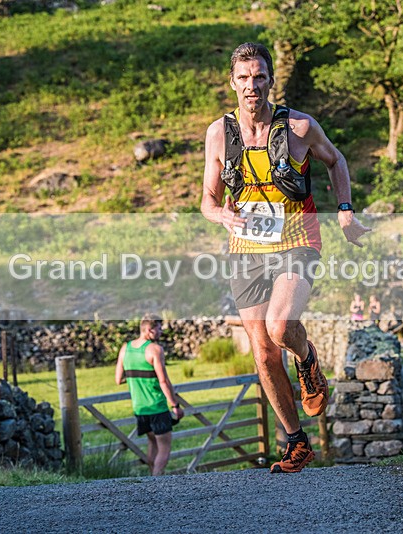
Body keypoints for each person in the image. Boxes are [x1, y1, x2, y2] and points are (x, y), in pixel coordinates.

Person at [200, 42, 371, 473]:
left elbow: (336, 161)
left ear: (270, 80)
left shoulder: (298, 127)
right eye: (243, 78)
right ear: (232, 82)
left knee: (279, 327)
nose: (251, 85)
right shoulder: (219, 133)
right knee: (262, 352)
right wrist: (219, 213)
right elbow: (207, 197)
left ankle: (308, 360)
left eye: (259, 76)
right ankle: (296, 442)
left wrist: (346, 212)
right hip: (246, 249)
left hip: (297, 238)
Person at [115, 314, 184, 476]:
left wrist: (138, 378)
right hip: (157, 406)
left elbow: (119, 379)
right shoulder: (155, 350)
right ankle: (157, 480)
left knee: (152, 442)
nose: (161, 331)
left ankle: (150, 480)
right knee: (164, 448)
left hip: (139, 408)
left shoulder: (126, 348)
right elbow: (163, 381)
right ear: (149, 330)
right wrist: (175, 406)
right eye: (159, 328)